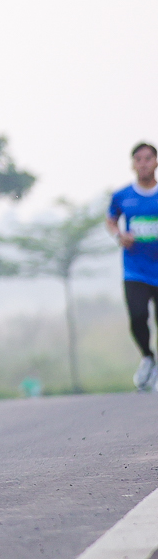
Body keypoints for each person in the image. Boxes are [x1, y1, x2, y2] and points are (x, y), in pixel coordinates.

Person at [107, 142, 158, 392]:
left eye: (148, 158)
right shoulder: (122, 196)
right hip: (135, 271)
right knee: (138, 317)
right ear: (133, 165)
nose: (144, 163)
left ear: (156, 162)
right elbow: (111, 219)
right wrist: (119, 235)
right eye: (139, 159)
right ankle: (148, 357)